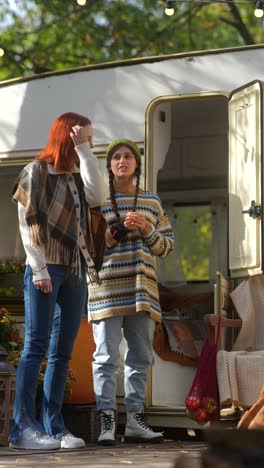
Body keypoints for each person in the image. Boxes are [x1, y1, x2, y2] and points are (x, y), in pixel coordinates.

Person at [9, 112, 108, 450]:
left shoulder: (79, 174)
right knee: (35, 347)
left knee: (63, 353)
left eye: (91, 139)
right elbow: (26, 222)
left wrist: (85, 153)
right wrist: (37, 269)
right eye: (84, 137)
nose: (89, 143)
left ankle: (54, 426)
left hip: (76, 267)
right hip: (46, 267)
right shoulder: (35, 171)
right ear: (67, 134)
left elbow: (98, 197)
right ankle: (22, 428)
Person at [88, 138, 174, 445]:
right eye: (116, 157)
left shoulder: (151, 202)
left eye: (128, 156)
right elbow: (89, 246)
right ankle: (107, 421)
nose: (122, 161)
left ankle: (135, 421)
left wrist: (147, 229)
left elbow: (166, 246)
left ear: (136, 164)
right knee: (106, 357)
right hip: (106, 290)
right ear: (109, 165)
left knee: (140, 357)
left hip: (142, 289)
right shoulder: (98, 202)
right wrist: (119, 230)